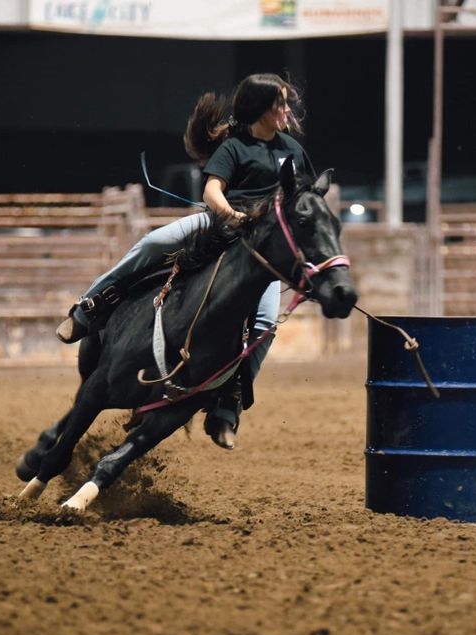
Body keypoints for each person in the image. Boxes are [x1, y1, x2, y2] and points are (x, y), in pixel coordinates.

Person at [56, 72, 315, 448]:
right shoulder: (234, 147)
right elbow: (212, 190)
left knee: (264, 325)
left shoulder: (293, 149)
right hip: (219, 226)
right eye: (281, 103)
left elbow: (304, 201)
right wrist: (231, 215)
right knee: (153, 242)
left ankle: (230, 403)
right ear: (261, 109)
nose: (287, 110)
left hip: (261, 250)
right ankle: (88, 308)